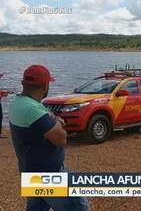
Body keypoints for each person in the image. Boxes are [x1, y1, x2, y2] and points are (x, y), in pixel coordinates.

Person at [9, 65, 88, 211]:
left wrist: (53, 121)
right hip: (47, 174)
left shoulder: (18, 103)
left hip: (30, 171)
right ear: (45, 86)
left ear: (23, 83)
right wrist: (58, 122)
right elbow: (61, 139)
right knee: (77, 207)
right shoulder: (32, 109)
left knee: (36, 208)